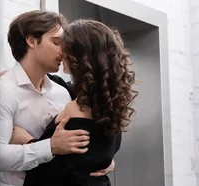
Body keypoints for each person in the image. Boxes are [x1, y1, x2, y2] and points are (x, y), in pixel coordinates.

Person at [0, 11, 115, 186]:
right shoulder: (3, 90)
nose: (64, 51)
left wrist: (100, 158)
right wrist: (50, 147)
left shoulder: (62, 91)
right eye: (57, 42)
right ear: (31, 40)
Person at [10, 19, 137, 186]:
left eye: (65, 46)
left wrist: (27, 141)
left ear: (80, 55)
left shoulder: (76, 110)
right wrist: (12, 75)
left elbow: (51, 175)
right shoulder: (107, 101)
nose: (61, 52)